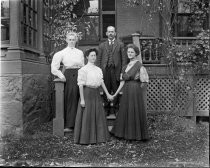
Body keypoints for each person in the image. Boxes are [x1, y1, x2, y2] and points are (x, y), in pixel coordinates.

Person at [110, 44, 149, 141]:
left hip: (135, 90)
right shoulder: (125, 67)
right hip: (126, 90)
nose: (130, 54)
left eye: (132, 52)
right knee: (126, 110)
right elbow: (122, 82)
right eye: (128, 52)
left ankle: (136, 135)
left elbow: (144, 81)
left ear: (136, 53)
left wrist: (138, 89)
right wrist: (115, 94)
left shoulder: (139, 65)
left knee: (134, 110)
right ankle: (125, 134)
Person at [74, 48, 111, 145]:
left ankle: (99, 138)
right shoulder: (83, 69)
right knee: (87, 115)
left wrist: (107, 93)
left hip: (96, 93)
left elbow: (101, 82)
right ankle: (86, 139)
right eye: (91, 55)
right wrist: (82, 99)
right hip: (87, 93)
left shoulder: (98, 69)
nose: (93, 57)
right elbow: (81, 85)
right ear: (87, 57)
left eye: (95, 55)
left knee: (98, 114)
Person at [51, 32, 84, 132]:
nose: (72, 41)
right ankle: (70, 125)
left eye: (73, 39)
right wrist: (61, 75)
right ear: (66, 40)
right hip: (69, 76)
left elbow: (83, 66)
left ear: (76, 40)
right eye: (70, 39)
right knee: (71, 98)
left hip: (80, 74)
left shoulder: (80, 52)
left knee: (80, 97)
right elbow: (53, 68)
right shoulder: (62, 53)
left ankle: (80, 123)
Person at [97, 26, 127, 116]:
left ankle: (116, 108)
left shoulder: (120, 44)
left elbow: (124, 60)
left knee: (116, 89)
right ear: (106, 33)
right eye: (109, 32)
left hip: (116, 70)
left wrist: (122, 72)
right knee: (106, 88)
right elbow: (99, 60)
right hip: (105, 70)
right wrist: (99, 72)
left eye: (112, 32)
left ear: (115, 33)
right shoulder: (102, 45)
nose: (110, 33)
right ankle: (106, 108)